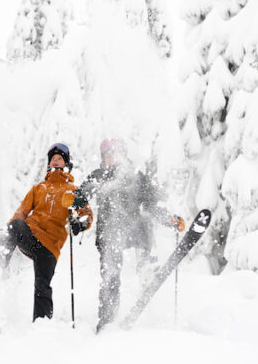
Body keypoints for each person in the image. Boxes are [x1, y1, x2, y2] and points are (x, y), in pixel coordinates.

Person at [71, 138, 184, 332]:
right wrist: (75, 213)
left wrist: (170, 219)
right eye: (106, 154)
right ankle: (107, 320)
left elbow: (152, 205)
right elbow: (80, 199)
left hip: (133, 230)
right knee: (111, 274)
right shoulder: (98, 177)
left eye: (114, 153)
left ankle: (147, 270)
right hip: (109, 233)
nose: (110, 157)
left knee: (145, 225)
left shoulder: (135, 178)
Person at [0, 143, 93, 321]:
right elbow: (21, 213)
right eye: (53, 159)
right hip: (31, 235)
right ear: (49, 164)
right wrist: (9, 230)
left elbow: (87, 215)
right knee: (15, 225)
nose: (56, 161)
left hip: (50, 246)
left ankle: (42, 325)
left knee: (42, 285)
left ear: (66, 163)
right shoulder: (38, 189)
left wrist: (79, 224)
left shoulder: (73, 191)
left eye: (59, 159)